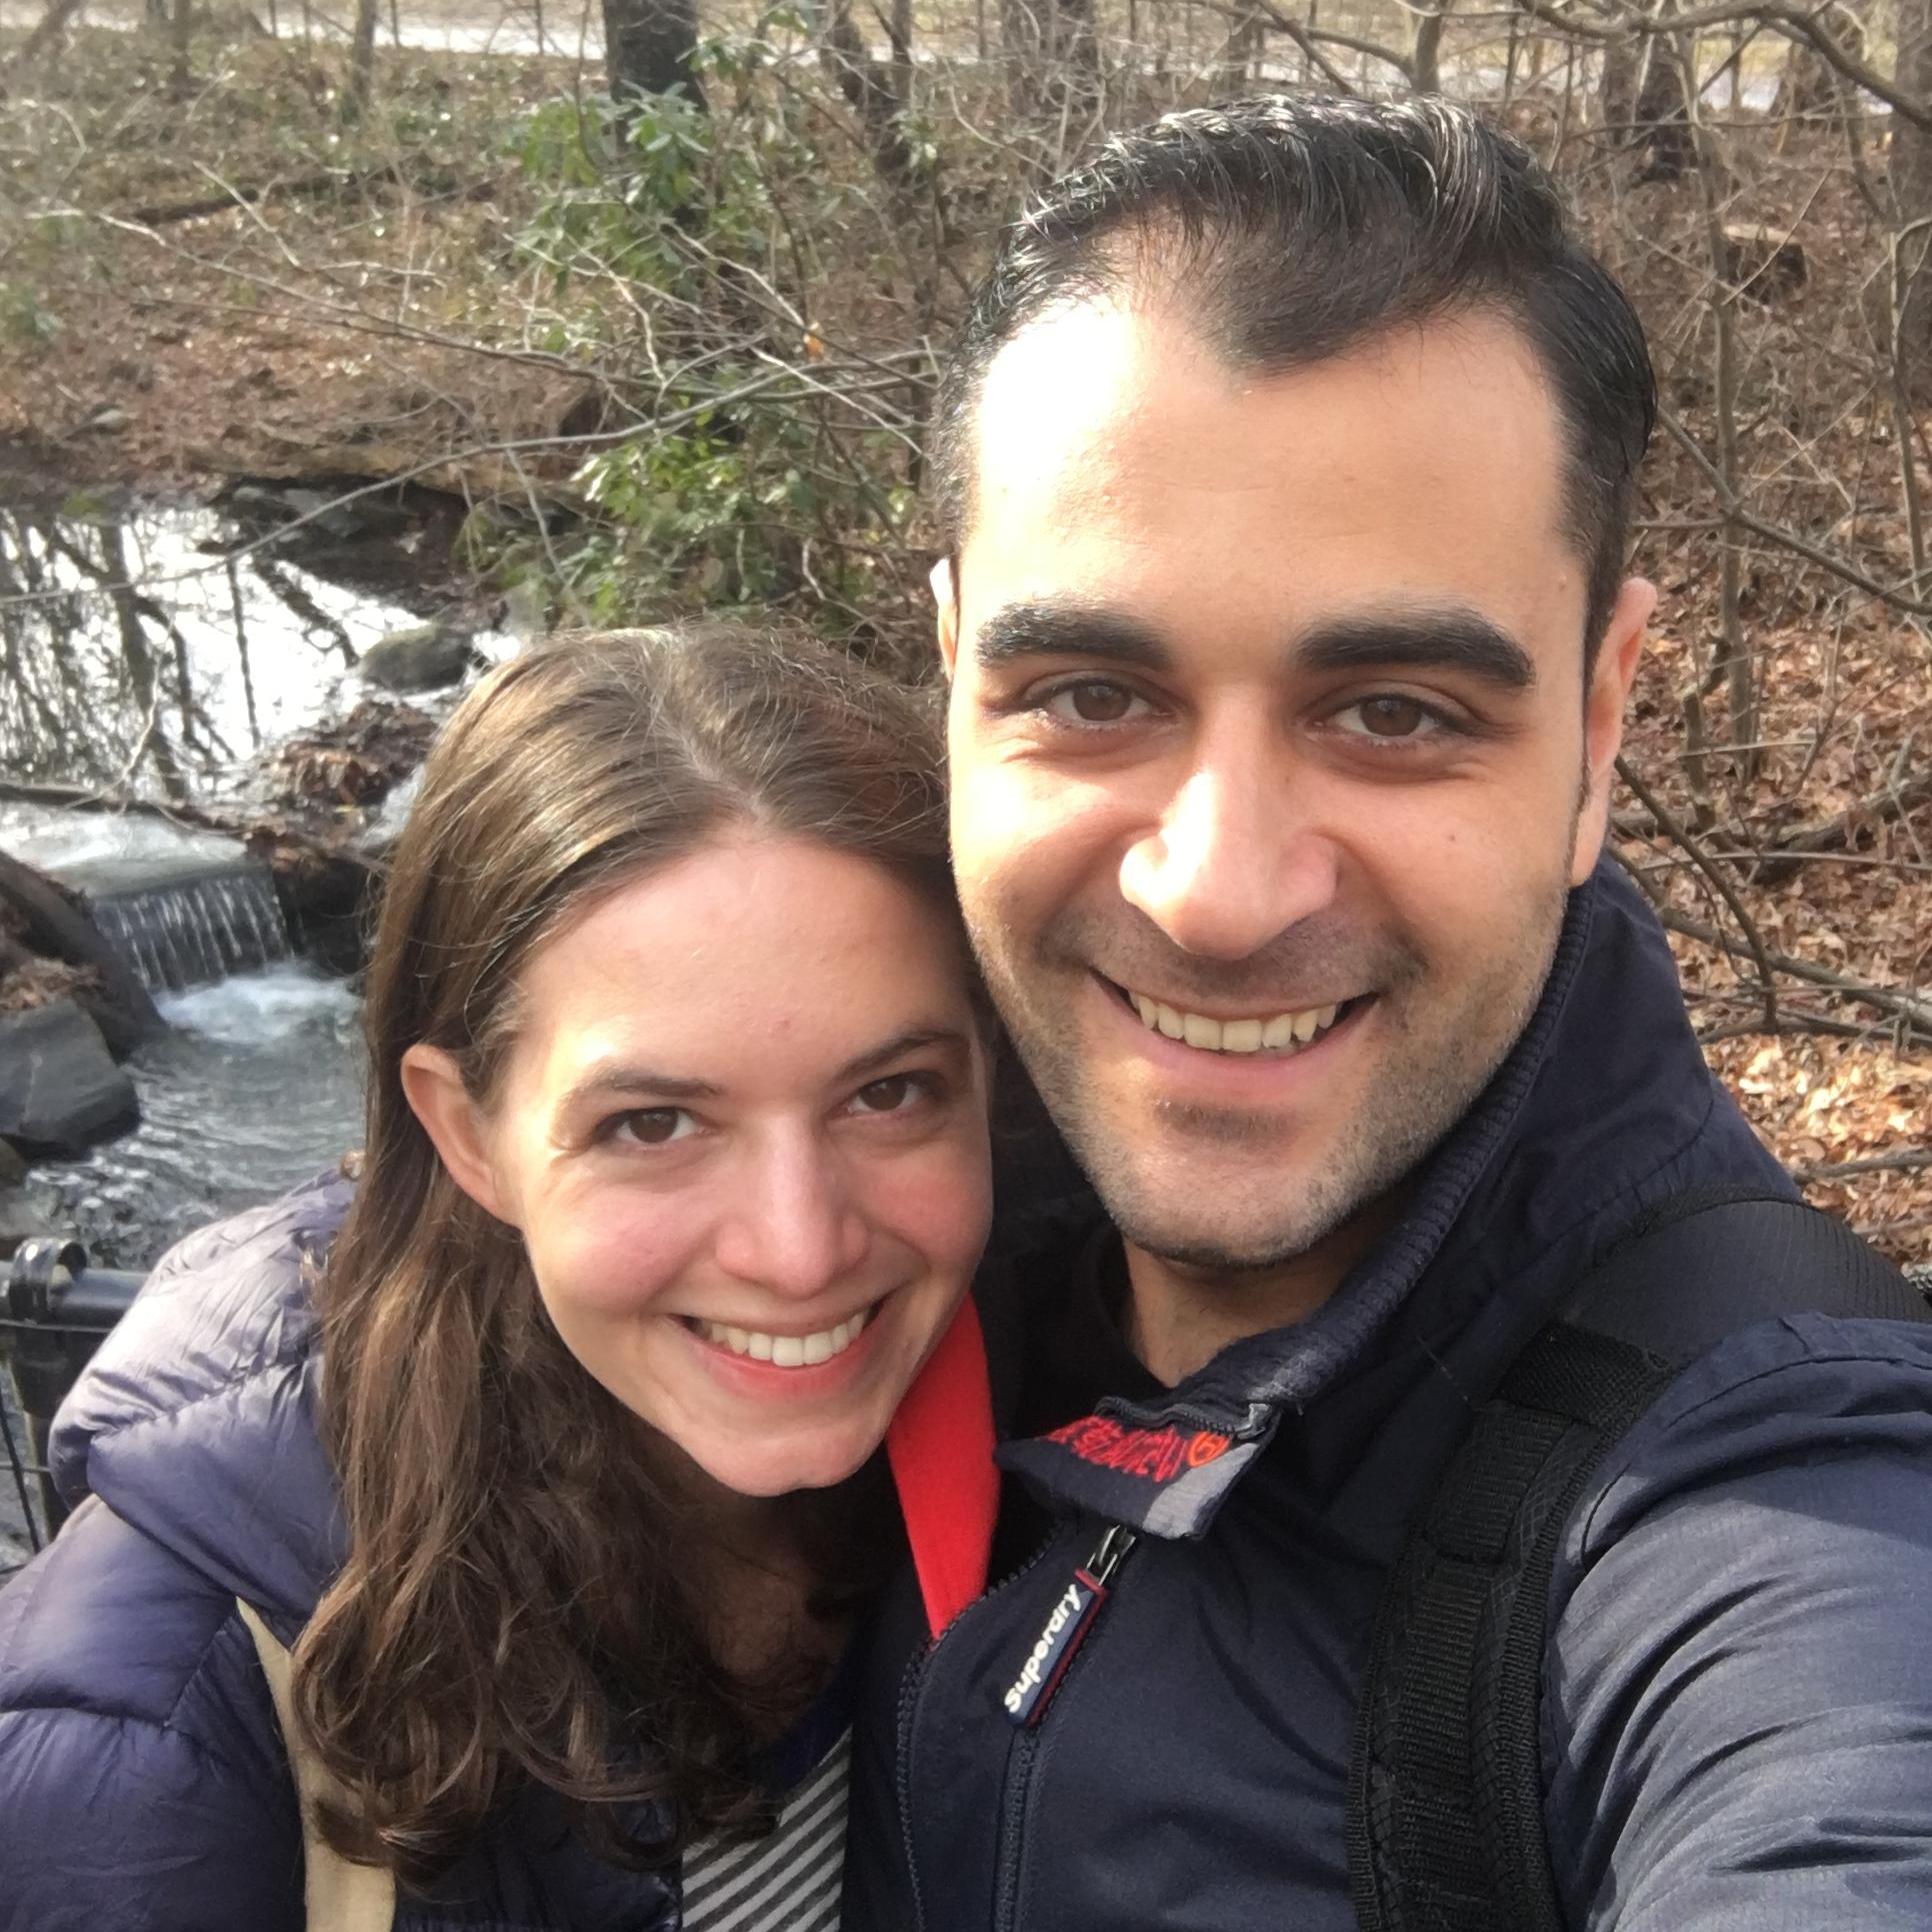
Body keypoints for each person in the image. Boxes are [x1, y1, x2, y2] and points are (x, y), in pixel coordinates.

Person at [844, 96, 1932, 1929]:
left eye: (1397, 713)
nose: (1216, 890)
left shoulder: (1769, 1486)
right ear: (954, 676)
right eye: (1093, 692)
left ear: (1600, 725)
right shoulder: (849, 1213)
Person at [0, 624, 1002, 1931]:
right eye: (652, 1123)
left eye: (889, 1094)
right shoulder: (147, 1745)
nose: (799, 1249)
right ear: (467, 1134)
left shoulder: (1068, 1406)